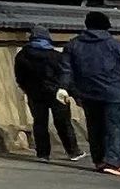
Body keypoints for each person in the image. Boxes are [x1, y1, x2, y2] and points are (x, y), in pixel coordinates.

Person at [62, 10, 120, 175]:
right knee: (114, 127)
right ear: (106, 26)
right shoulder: (115, 44)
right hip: (113, 93)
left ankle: (99, 160)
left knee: (94, 128)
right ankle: (113, 162)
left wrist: (64, 88)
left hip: (87, 93)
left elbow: (66, 69)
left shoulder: (73, 45)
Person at [11, 25, 78, 163]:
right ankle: (72, 151)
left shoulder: (22, 56)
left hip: (34, 94)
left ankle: (43, 153)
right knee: (63, 122)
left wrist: (26, 88)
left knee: (39, 123)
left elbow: (19, 77)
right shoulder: (55, 56)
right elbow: (65, 75)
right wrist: (70, 91)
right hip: (57, 93)